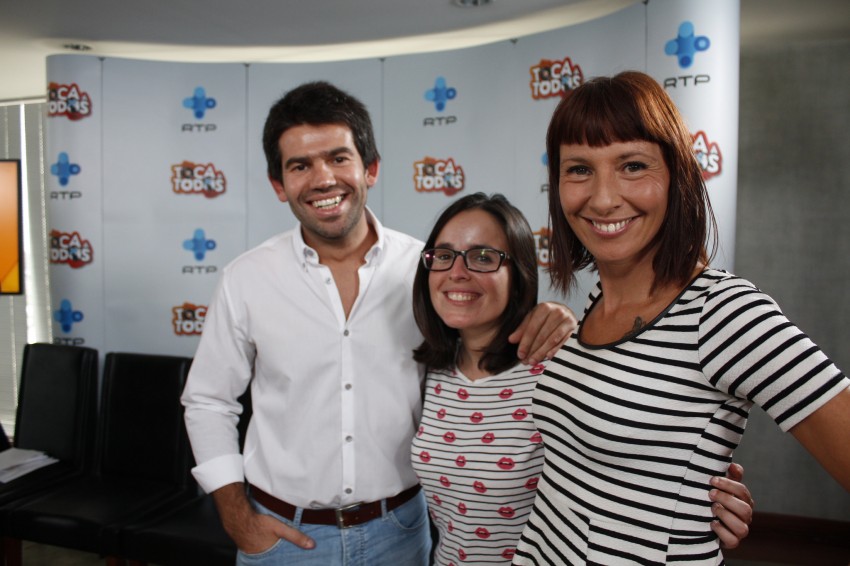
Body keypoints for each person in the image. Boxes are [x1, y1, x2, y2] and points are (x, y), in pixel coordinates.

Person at [180, 81, 576, 566]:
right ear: (278, 184)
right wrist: (237, 518)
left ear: (370, 168)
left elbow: (487, 326)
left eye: (338, 158)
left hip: (401, 533)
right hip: (283, 538)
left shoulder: (429, 270)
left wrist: (552, 316)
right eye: (300, 166)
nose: (323, 179)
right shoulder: (246, 278)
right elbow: (208, 401)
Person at [513, 71, 850, 565]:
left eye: (632, 165)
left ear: (678, 175)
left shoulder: (724, 312)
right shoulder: (596, 303)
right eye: (579, 169)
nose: (603, 197)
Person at [410, 192, 755, 565]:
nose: (457, 272)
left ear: (519, 273)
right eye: (443, 256)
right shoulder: (430, 371)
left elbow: (637, 463)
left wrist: (704, 499)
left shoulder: (560, 368)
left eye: (483, 257)